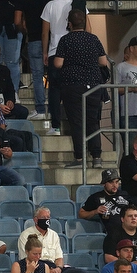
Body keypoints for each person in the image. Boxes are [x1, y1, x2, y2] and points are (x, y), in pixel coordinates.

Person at [53, 9, 107, 168]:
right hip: (93, 86)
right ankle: (96, 157)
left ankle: (79, 158)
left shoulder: (66, 40)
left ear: (69, 23)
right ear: (84, 23)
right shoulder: (93, 39)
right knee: (93, 121)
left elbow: (58, 63)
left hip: (73, 86)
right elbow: (103, 62)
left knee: (77, 122)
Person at [40, 0, 83, 136]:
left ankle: (56, 126)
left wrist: (45, 52)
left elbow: (45, 33)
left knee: (55, 90)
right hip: (75, 53)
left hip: (55, 52)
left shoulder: (50, 5)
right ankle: (76, 127)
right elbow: (88, 28)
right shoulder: (79, 4)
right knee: (73, 90)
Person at [17, 206, 89, 273]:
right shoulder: (26, 235)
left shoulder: (54, 235)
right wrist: (47, 270)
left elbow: (59, 258)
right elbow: (26, 260)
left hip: (54, 267)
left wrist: (58, 269)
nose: (46, 220)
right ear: (36, 220)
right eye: (43, 217)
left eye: (48, 217)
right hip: (36, 267)